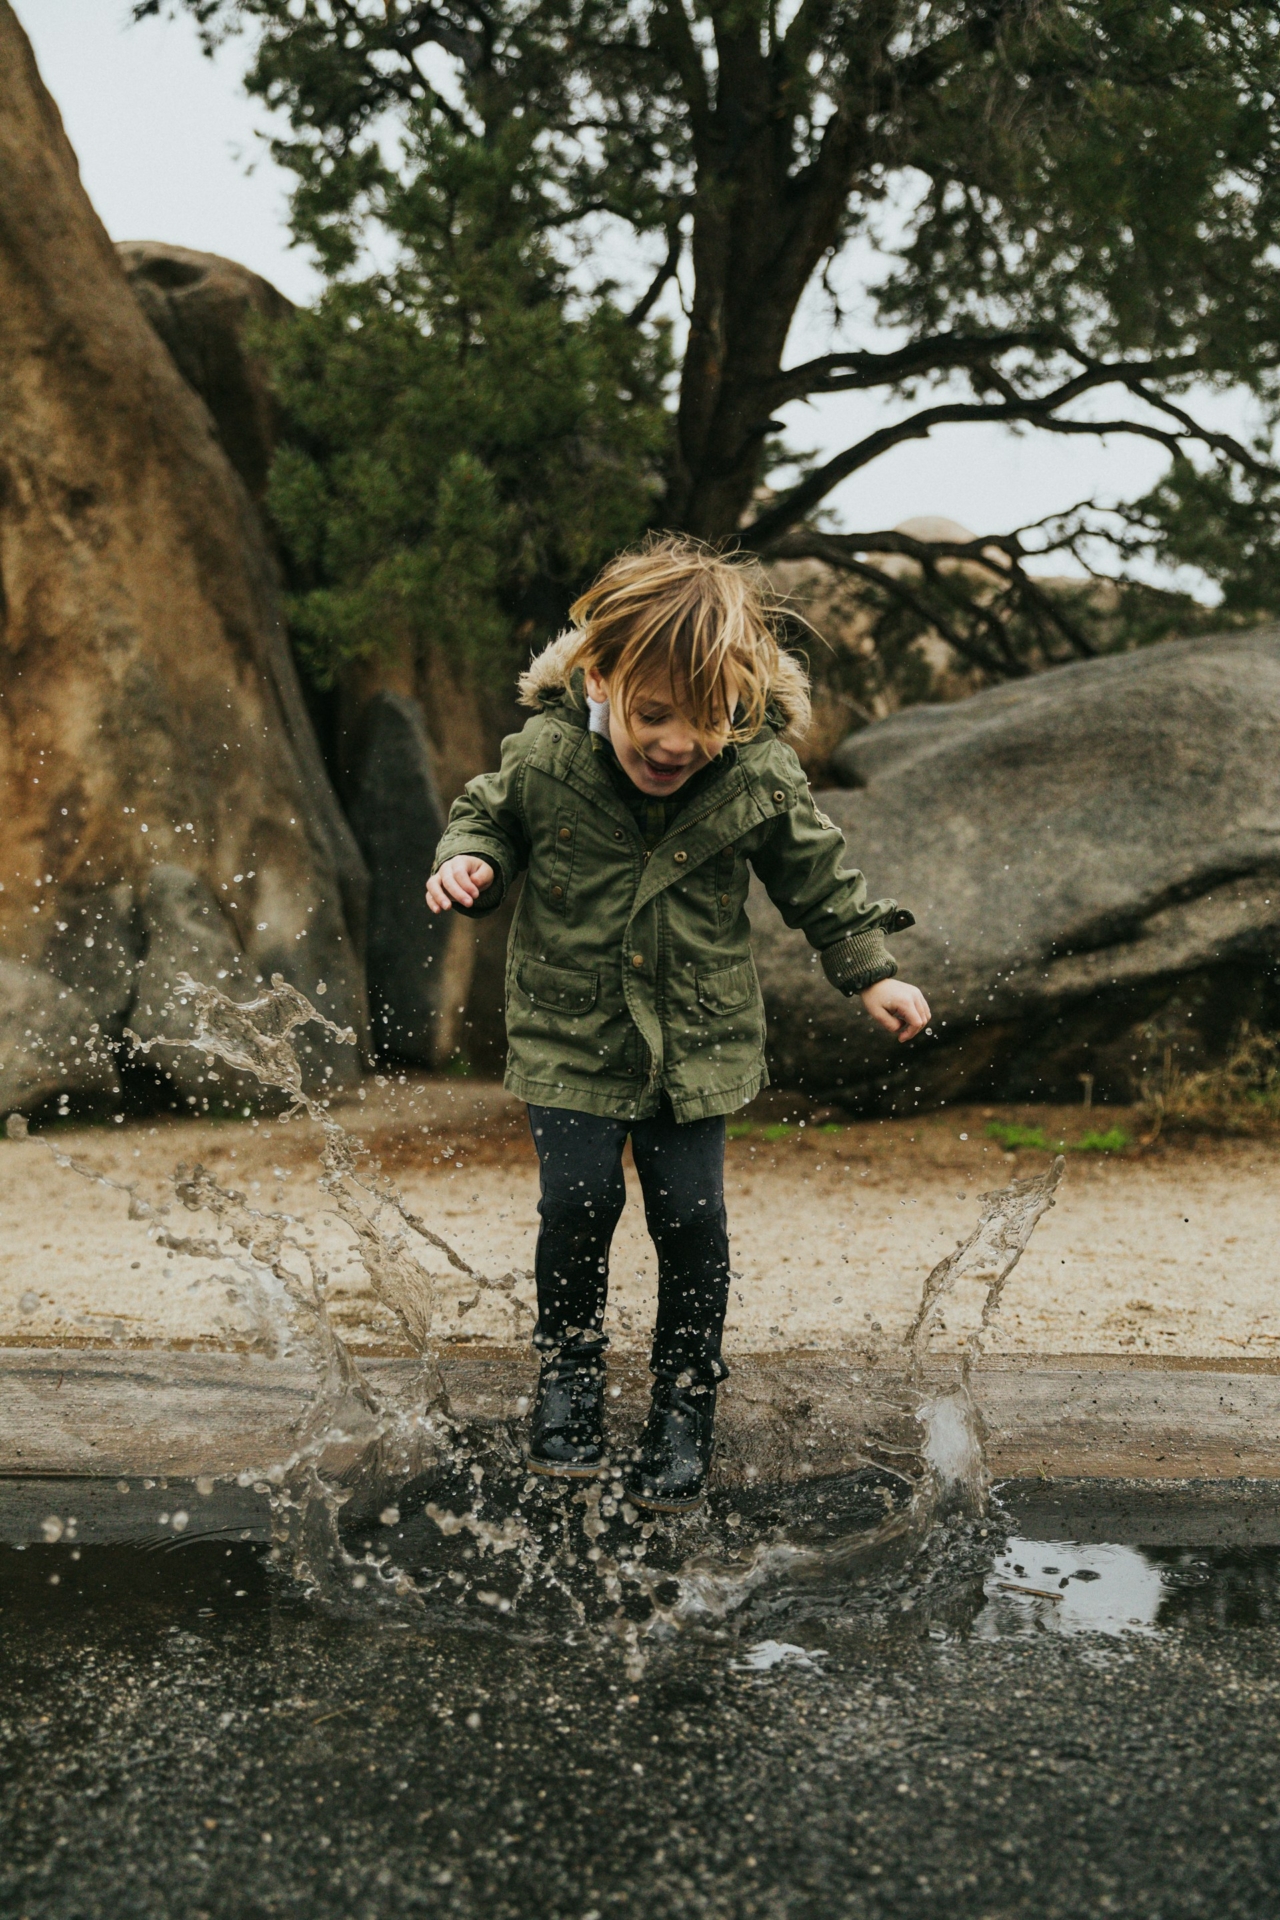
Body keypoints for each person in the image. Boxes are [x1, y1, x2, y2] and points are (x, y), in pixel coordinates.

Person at [426, 536, 929, 1510]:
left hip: (693, 1040)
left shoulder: (755, 773)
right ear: (601, 676)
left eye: (704, 720)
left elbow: (816, 878)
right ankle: (568, 1377)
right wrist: (472, 864)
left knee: (690, 1222)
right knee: (577, 1205)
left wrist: (870, 970)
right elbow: (485, 814)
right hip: (570, 1031)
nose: (674, 744)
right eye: (653, 715)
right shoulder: (545, 758)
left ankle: (682, 1403)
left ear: (737, 702)